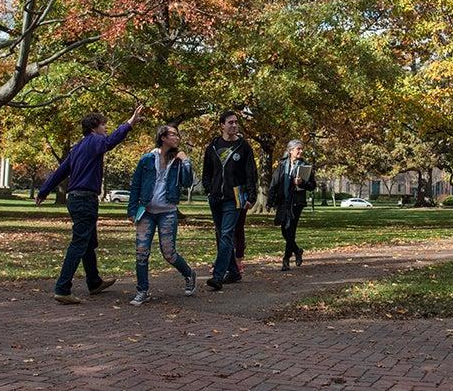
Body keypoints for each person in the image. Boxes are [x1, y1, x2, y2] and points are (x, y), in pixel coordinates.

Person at [36, 105, 142, 304]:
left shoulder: (77, 147)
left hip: (75, 199)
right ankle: (62, 288)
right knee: (79, 242)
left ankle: (94, 282)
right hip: (85, 199)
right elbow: (111, 142)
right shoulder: (95, 141)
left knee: (88, 243)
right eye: (104, 125)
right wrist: (129, 123)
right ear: (94, 127)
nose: (105, 129)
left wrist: (44, 190)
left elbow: (61, 171)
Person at [125, 125, 197, 305]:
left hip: (168, 212)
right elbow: (136, 185)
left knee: (169, 253)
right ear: (163, 137)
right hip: (146, 212)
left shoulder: (179, 161)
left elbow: (187, 182)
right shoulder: (147, 159)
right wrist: (132, 210)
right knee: (141, 252)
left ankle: (189, 274)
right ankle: (142, 290)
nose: (177, 138)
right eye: (173, 135)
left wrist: (186, 161)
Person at [201, 110, 258, 291]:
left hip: (234, 197)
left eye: (236, 122)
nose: (234, 125)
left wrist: (252, 196)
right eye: (230, 122)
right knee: (220, 234)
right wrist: (209, 188)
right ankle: (234, 272)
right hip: (216, 197)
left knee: (226, 234)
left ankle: (218, 276)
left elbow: (251, 173)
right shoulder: (213, 147)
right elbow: (207, 172)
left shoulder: (244, 147)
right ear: (222, 125)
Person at [267, 139, 317, 271]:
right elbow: (274, 183)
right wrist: (270, 202)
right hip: (283, 202)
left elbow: (312, 185)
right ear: (290, 151)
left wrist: (302, 183)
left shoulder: (305, 166)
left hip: (296, 203)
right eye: (298, 149)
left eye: (301, 149)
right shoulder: (282, 164)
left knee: (291, 230)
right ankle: (297, 250)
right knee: (284, 230)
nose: (300, 151)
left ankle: (286, 259)